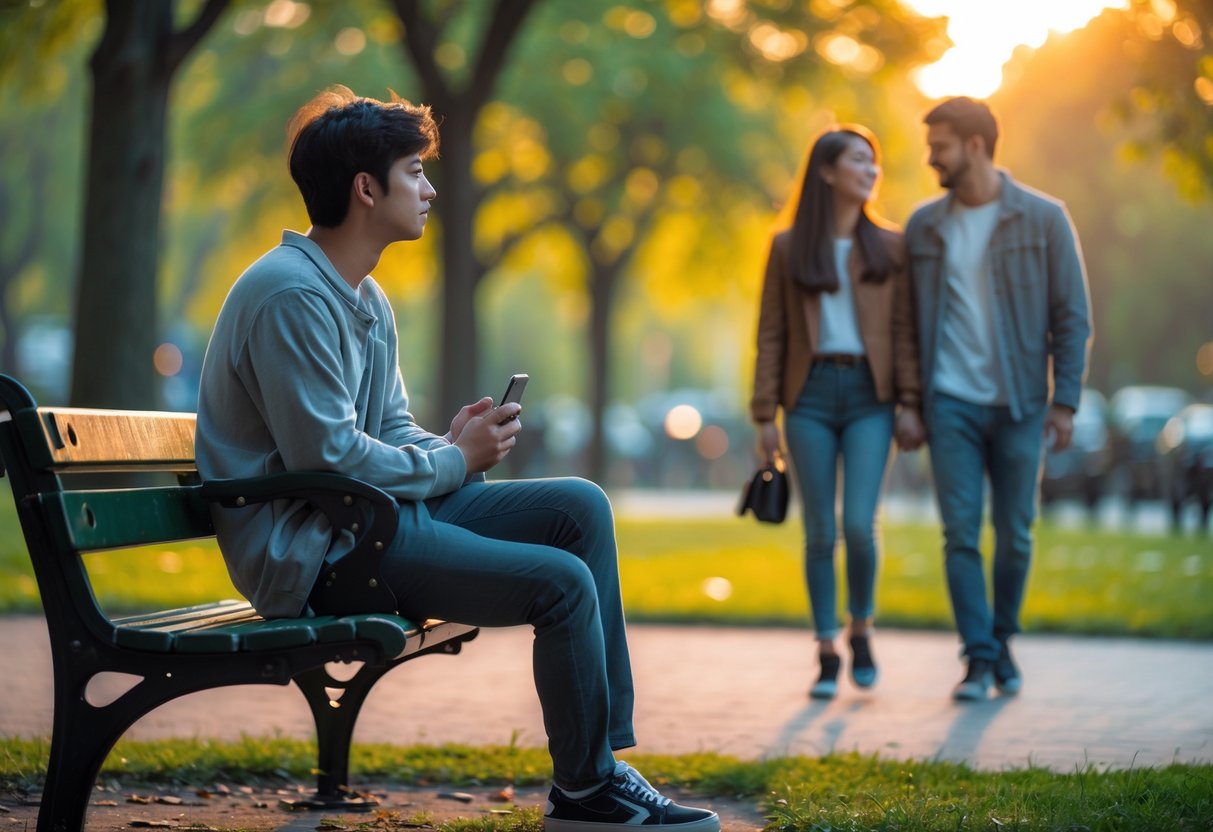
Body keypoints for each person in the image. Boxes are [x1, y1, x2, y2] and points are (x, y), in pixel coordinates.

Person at [195, 86, 719, 832]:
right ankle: (588, 790)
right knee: (562, 585)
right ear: (366, 188)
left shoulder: (363, 298)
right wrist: (450, 463)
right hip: (315, 552)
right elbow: (332, 458)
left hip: (361, 519)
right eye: (414, 171)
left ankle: (593, 769)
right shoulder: (291, 297)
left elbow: (386, 429)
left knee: (577, 507)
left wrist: (450, 448)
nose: (430, 188)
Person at [904, 97, 1092, 701]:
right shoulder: (925, 225)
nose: (931, 157)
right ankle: (979, 657)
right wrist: (911, 401)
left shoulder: (1044, 219)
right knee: (960, 533)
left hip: (1020, 403)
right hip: (950, 401)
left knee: (1015, 532)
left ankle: (1002, 639)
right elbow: (907, 325)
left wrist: (1065, 402)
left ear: (975, 146)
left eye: (940, 146)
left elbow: (1073, 318)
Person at [750, 125, 925, 700]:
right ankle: (827, 649)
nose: (871, 170)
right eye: (858, 160)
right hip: (811, 398)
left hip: (872, 397)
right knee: (820, 530)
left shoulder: (892, 247)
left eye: (874, 162)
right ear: (827, 171)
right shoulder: (787, 247)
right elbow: (771, 335)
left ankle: (862, 628)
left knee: (859, 525)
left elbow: (905, 332)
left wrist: (909, 402)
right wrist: (763, 416)